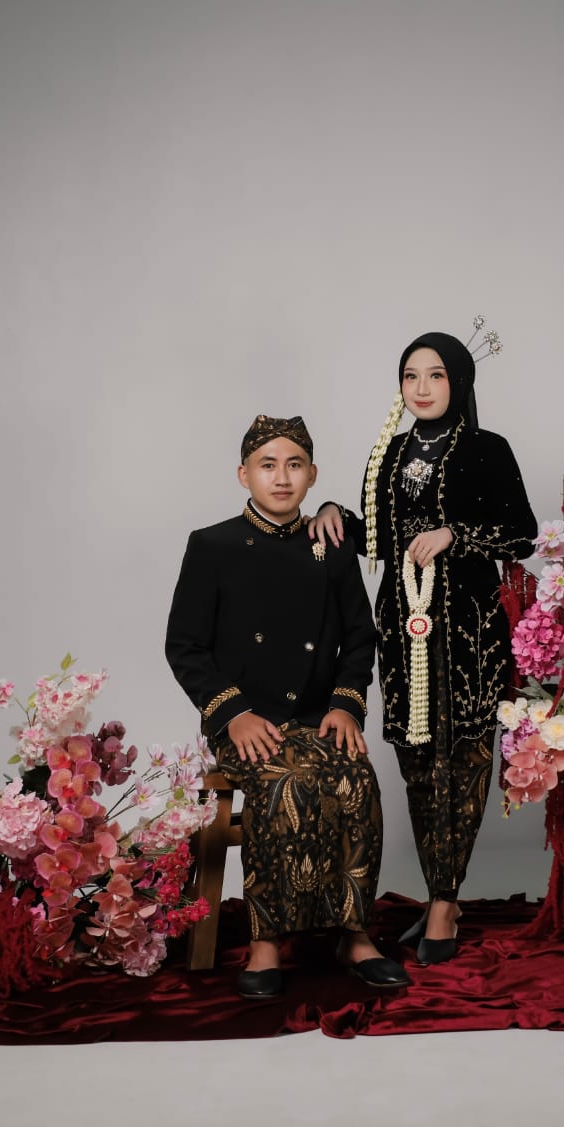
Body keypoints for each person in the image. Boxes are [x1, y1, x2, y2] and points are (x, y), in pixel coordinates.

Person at [311, 332, 537, 964]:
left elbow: (521, 533)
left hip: (468, 626)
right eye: (410, 375)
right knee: (416, 756)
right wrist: (332, 511)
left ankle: (443, 901)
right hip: (403, 624)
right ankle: (442, 891)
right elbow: (378, 539)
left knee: (463, 755)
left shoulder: (488, 448)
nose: (421, 387)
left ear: (459, 382)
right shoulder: (388, 452)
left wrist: (453, 534)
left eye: (435, 375)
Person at [165, 414, 409, 998]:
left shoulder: (330, 545)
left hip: (317, 718)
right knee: (284, 784)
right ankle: (267, 942)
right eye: (267, 465)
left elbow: (361, 636)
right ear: (243, 475)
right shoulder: (212, 545)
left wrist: (347, 705)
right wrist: (233, 714)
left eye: (294, 465)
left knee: (358, 780)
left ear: (312, 474)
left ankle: (354, 934)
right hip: (245, 721)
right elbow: (185, 645)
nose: (281, 477)